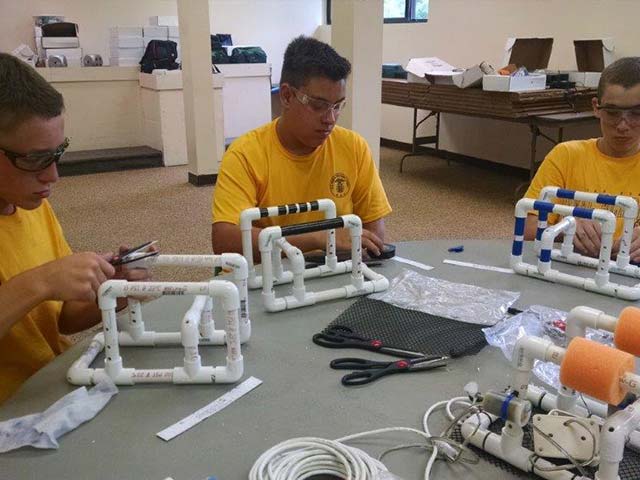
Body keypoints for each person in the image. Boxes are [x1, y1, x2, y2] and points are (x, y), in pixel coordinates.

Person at [0, 53, 152, 404]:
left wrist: (113, 288)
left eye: (58, 153)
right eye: (35, 160)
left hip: (52, 382)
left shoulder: (32, 207)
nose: (53, 176)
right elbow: (40, 288)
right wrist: (41, 281)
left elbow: (59, 322)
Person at [211, 36, 392, 260]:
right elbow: (225, 240)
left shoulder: (354, 147)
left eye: (338, 106)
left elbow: (375, 233)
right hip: (269, 279)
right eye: (319, 105)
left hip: (334, 273)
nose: (331, 118)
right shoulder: (244, 154)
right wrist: (318, 240)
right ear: (287, 96)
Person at [524, 57, 640, 261]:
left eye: (637, 113)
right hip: (572, 265)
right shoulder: (566, 155)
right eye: (612, 112)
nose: (623, 125)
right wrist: (565, 228)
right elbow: (527, 228)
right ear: (596, 107)